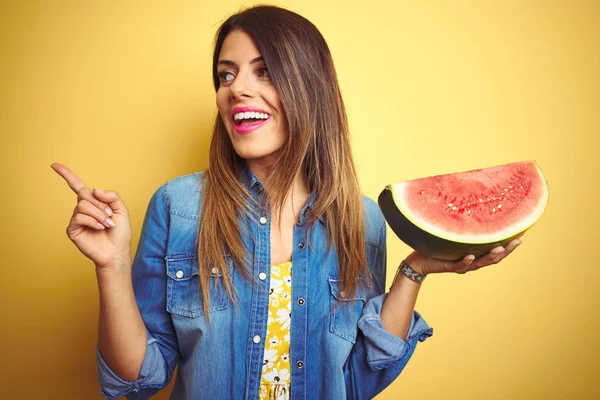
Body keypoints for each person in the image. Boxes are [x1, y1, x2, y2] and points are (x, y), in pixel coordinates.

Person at [52, 5, 522, 400]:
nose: (235, 88)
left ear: (308, 86)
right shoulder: (178, 207)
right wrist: (111, 267)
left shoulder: (362, 221)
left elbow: (356, 382)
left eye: (264, 71)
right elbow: (138, 381)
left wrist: (415, 267)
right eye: (225, 75)